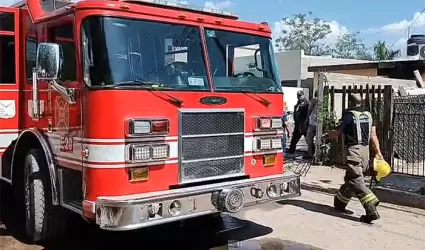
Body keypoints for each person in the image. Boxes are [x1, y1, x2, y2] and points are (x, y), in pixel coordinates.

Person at [323, 93, 383, 223]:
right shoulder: (369, 114)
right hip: (365, 151)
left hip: (354, 151)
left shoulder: (348, 116)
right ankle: (340, 203)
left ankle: (371, 207)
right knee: (350, 178)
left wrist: (326, 135)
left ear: (349, 103)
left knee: (355, 179)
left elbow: (338, 132)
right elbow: (373, 135)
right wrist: (377, 151)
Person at [288, 90, 310, 154]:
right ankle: (291, 150)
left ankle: (312, 151)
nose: (298, 97)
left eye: (300, 96)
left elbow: (307, 115)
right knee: (294, 139)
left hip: (304, 124)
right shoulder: (297, 104)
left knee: (308, 140)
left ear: (303, 95)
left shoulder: (307, 104)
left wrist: (306, 123)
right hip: (298, 125)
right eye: (298, 95)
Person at [305, 89, 319, 159]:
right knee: (318, 139)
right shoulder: (323, 100)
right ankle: (317, 153)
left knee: (309, 138)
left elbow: (310, 109)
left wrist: (307, 119)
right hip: (319, 123)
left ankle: (310, 153)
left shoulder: (314, 100)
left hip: (313, 122)